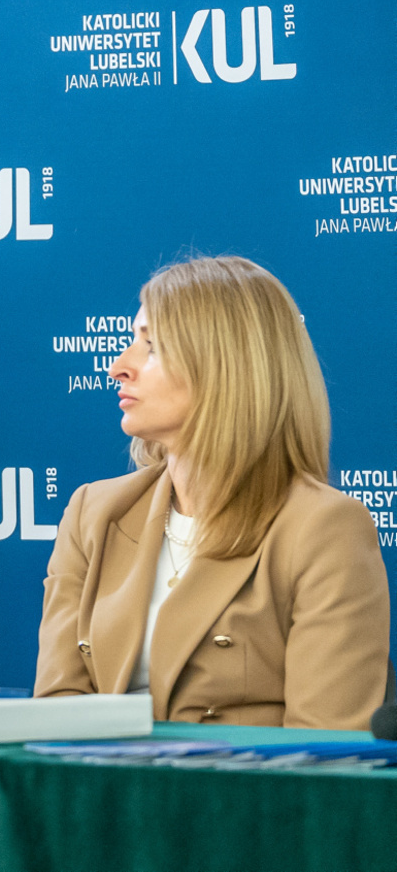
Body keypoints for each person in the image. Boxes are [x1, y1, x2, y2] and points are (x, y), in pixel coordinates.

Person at [34, 255, 388, 729]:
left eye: (151, 347)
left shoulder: (323, 528)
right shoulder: (92, 512)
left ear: (225, 366)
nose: (118, 367)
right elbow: (55, 716)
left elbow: (324, 751)